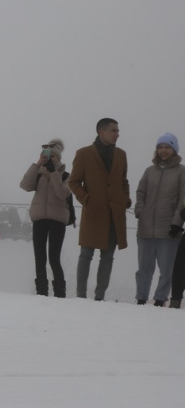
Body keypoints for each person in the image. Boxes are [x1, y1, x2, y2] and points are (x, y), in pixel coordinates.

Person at [67, 118, 131, 301]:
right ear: (101, 131)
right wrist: (86, 199)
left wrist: (125, 199)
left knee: (108, 257)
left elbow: (123, 180)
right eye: (114, 130)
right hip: (93, 211)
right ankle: (80, 296)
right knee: (86, 255)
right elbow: (73, 181)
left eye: (118, 130)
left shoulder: (121, 155)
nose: (117, 134)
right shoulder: (84, 154)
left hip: (114, 213)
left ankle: (99, 297)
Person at [133, 133, 185, 306]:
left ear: (174, 149)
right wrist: (140, 210)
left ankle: (160, 298)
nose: (163, 151)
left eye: (167, 147)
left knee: (167, 269)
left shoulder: (181, 172)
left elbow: (183, 200)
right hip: (145, 228)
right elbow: (140, 193)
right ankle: (141, 297)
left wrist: (177, 222)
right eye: (160, 147)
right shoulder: (150, 171)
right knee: (144, 268)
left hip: (168, 229)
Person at [19, 139, 72, 297]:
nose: (49, 159)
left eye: (52, 157)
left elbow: (62, 194)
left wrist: (54, 173)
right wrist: (37, 164)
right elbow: (24, 185)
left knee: (54, 258)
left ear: (59, 158)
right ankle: (41, 291)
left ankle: (60, 293)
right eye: (46, 156)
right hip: (39, 218)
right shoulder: (38, 174)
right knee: (39, 257)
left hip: (57, 220)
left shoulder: (66, 176)